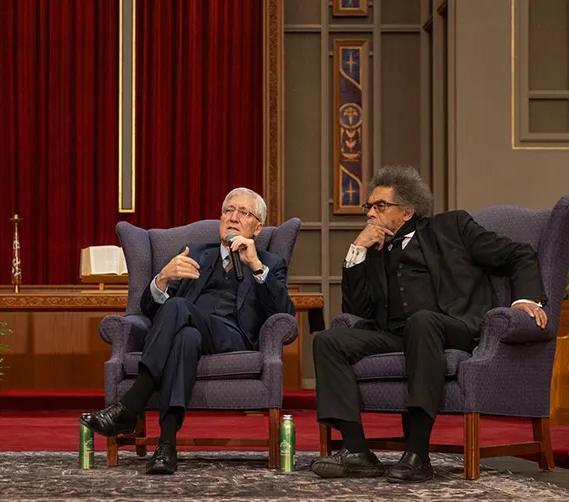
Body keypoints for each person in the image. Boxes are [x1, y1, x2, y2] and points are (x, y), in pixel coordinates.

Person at [310, 165, 547, 483]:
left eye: (380, 206)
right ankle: (356, 451)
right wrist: (357, 253)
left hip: (453, 327)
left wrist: (525, 299)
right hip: (395, 334)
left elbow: (519, 254)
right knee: (328, 340)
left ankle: (418, 453)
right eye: (369, 206)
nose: (371, 213)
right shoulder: (376, 247)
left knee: (422, 322)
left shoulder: (452, 227)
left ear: (407, 211)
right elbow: (357, 310)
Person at [80, 188, 296, 475]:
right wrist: (162, 279)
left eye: (243, 213)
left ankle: (131, 404)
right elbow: (149, 313)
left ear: (257, 227)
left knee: (180, 308)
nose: (232, 217)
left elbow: (285, 312)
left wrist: (255, 265)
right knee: (185, 336)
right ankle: (166, 447)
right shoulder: (193, 254)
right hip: (192, 331)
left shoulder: (269, 262)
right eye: (228, 210)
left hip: (233, 338)